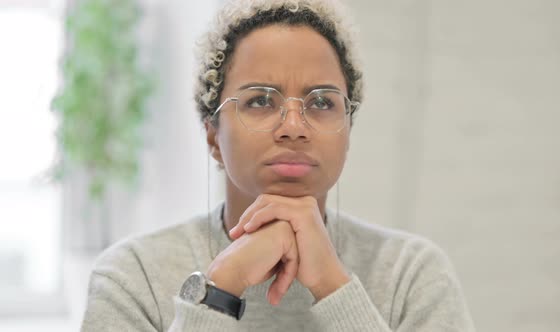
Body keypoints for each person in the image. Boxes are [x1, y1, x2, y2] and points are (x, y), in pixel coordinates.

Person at [81, 0, 475, 331]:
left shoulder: (411, 275)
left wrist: (334, 288)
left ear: (347, 132)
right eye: (259, 100)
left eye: (321, 103)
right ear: (213, 137)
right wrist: (219, 290)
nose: (293, 128)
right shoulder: (133, 278)